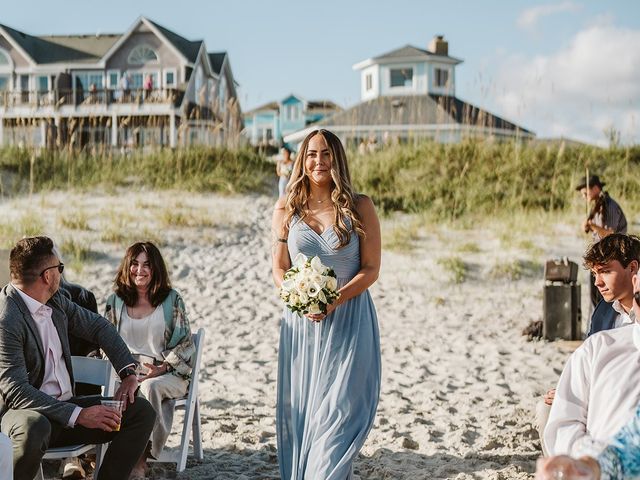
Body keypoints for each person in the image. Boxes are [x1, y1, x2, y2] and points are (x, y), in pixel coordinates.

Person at [271, 128, 381, 479]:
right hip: (302, 327)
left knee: (338, 415)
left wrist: (335, 299)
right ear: (302, 160)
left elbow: (371, 268)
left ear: (338, 159)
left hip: (349, 322)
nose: (319, 161)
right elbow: (279, 267)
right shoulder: (286, 208)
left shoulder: (360, 206)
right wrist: (296, 296)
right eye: (312, 154)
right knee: (305, 414)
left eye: (327, 154)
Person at [0, 236, 156, 480]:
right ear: (48, 276)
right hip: (26, 415)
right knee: (34, 428)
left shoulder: (56, 301)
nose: (62, 274)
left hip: (68, 412)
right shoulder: (6, 318)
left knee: (140, 412)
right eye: (60, 268)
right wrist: (80, 414)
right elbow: (17, 391)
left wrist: (128, 373)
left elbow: (99, 328)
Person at [535, 234, 640, 455]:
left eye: (605, 271)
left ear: (632, 269)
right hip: (600, 395)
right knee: (546, 409)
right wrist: (567, 390)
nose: (597, 282)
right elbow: (587, 364)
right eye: (594, 273)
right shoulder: (602, 313)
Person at [104, 241, 194, 477]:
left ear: (156, 269)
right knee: (105, 387)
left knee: (149, 387)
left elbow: (186, 343)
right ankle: (98, 452)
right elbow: (104, 341)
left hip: (166, 372)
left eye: (146, 265)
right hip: (124, 368)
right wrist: (125, 371)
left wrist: (162, 367)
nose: (139, 270)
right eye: (134, 264)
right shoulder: (115, 301)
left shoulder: (172, 300)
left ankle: (140, 459)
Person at [577, 174, 627, 308]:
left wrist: (592, 225)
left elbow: (611, 235)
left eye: (585, 193)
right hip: (599, 257)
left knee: (605, 300)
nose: (584, 196)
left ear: (595, 188)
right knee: (595, 298)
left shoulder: (609, 206)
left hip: (611, 258)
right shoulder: (597, 206)